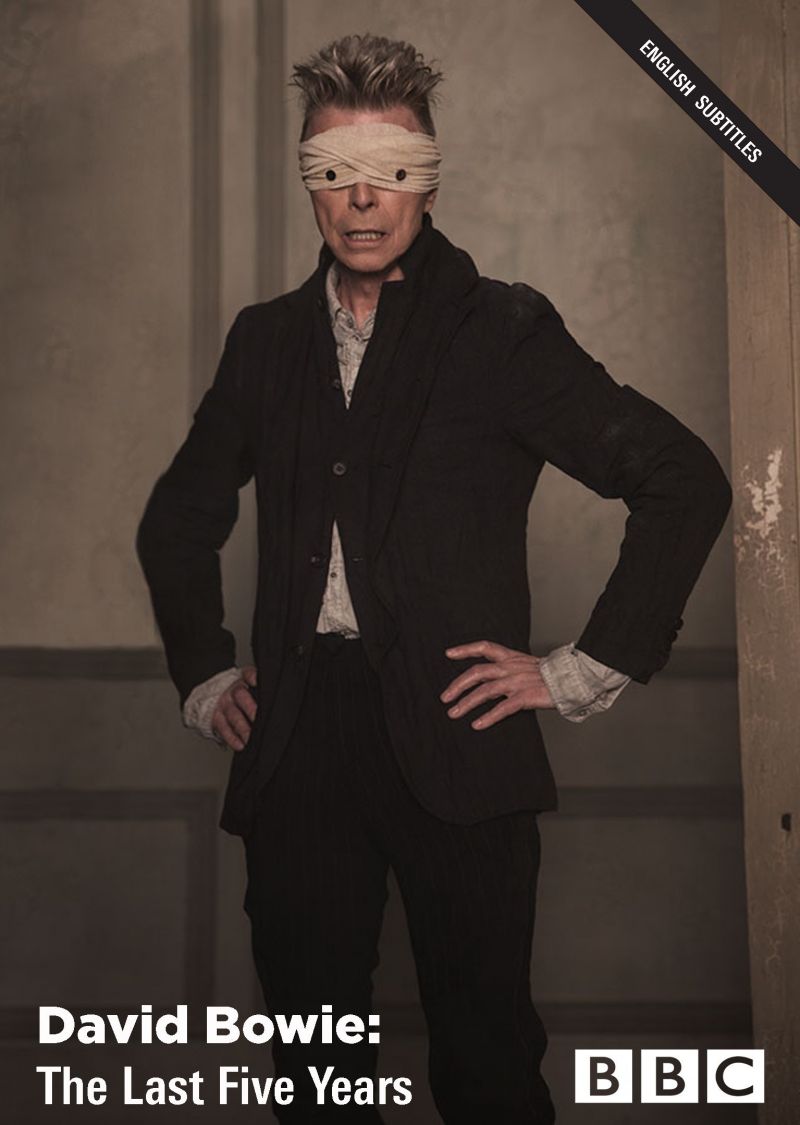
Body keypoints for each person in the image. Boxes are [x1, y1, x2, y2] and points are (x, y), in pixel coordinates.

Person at [136, 32, 732, 1124]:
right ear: (310, 184)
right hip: (298, 746)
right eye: (335, 173)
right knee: (315, 1079)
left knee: (487, 1069)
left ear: (429, 180)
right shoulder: (265, 342)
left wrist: (582, 667)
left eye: (390, 172)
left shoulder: (500, 331)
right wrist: (206, 674)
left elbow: (681, 479)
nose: (362, 201)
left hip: (461, 734)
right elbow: (178, 518)